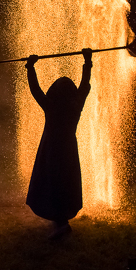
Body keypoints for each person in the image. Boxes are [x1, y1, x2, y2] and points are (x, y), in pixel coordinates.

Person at [24, 48, 92, 239]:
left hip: (51, 150)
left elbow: (35, 90)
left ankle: (60, 224)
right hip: (69, 150)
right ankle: (61, 222)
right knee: (65, 182)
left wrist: (30, 67)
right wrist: (87, 61)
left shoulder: (51, 107)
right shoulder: (75, 105)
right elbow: (85, 85)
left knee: (52, 182)